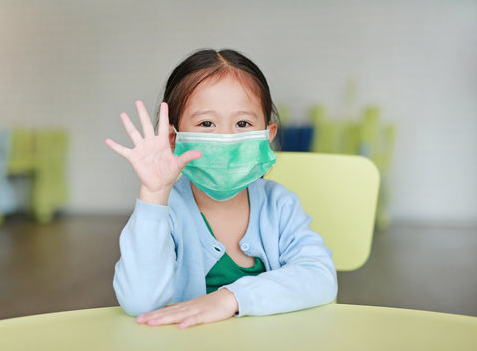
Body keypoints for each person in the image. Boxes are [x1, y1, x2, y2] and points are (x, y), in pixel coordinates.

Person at [105, 49, 337, 329]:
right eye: (206, 123)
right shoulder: (168, 211)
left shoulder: (280, 205)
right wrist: (153, 195)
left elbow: (320, 277)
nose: (226, 139)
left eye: (242, 123)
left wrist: (230, 299)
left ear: (267, 135)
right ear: (172, 138)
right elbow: (139, 301)